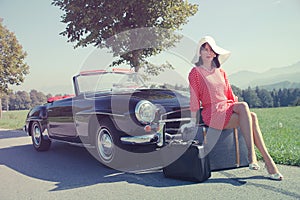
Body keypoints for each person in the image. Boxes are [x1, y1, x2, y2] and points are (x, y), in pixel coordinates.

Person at [180, 36, 283, 181]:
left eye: (211, 50)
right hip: (212, 113)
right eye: (205, 49)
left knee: (251, 116)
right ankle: (255, 156)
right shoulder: (195, 73)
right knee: (245, 108)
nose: (208, 52)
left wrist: (240, 111)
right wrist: (192, 121)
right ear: (200, 53)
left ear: (215, 53)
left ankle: (265, 161)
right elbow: (194, 98)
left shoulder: (221, 72)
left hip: (227, 107)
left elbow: (230, 95)